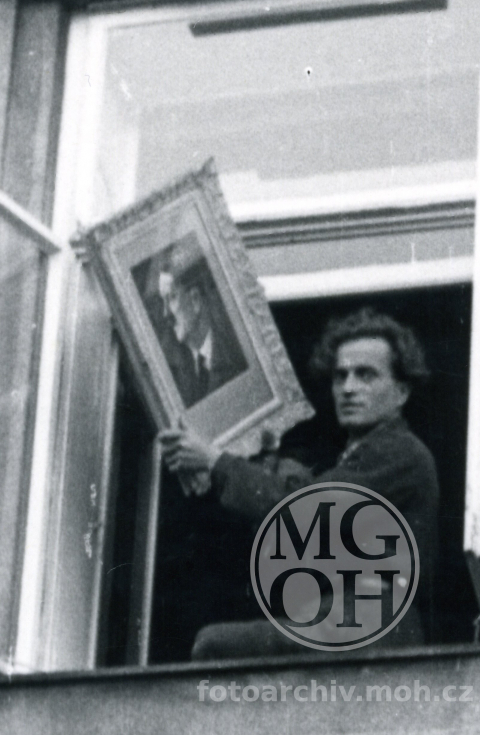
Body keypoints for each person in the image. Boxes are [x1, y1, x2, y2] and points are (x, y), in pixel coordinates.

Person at [157, 308, 439, 661]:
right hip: (351, 622)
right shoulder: (364, 455)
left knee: (212, 645)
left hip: (371, 627)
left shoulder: (398, 452)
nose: (348, 388)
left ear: (401, 391)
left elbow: (302, 512)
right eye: (340, 376)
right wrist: (259, 465)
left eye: (365, 375)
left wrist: (215, 462)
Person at [150, 255, 247, 408]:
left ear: (195, 300)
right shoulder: (177, 375)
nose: (165, 313)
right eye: (163, 302)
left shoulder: (238, 353)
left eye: (172, 298)